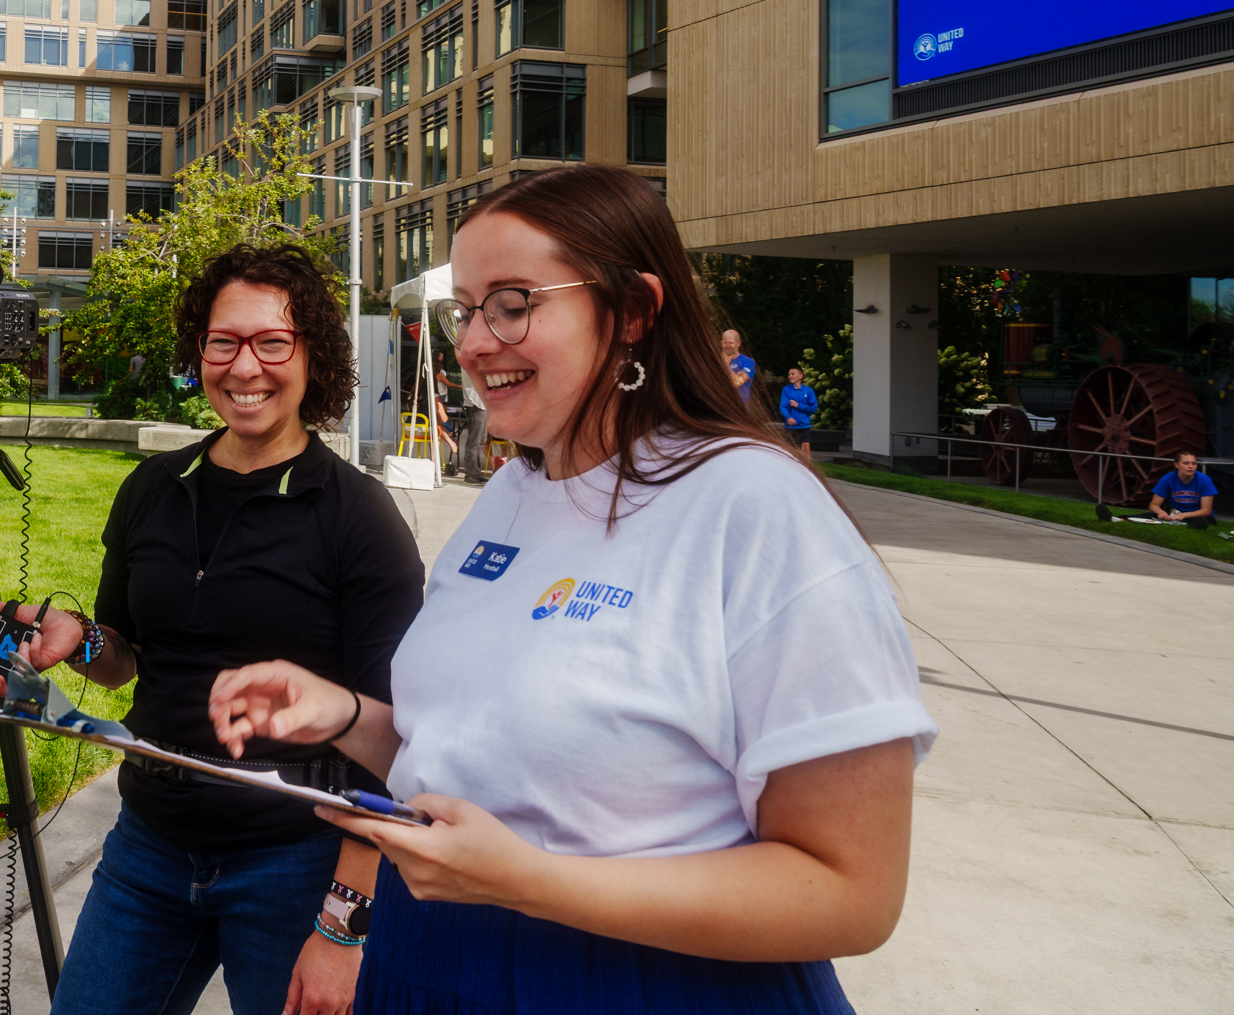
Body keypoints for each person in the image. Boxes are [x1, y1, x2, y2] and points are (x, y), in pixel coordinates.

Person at [210, 165, 936, 1015]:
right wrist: (342, 715)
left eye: (513, 303)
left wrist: (537, 883)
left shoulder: (757, 507)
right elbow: (475, 752)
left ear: (632, 311)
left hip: (645, 982)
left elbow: (851, 892)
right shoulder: (511, 495)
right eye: (466, 309)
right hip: (426, 958)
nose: (475, 341)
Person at [0, 244, 424, 1015]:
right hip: (148, 847)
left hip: (296, 861)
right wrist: (77, 639)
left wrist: (346, 923)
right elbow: (125, 659)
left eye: (271, 342)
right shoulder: (152, 488)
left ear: (311, 354)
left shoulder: (358, 516)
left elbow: (399, 735)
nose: (244, 365)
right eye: (224, 342)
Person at [1149, 450, 1218, 527]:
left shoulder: (1205, 480)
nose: (1190, 466)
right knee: (1143, 517)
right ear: (1176, 465)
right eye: (1186, 463)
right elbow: (1154, 505)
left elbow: (1206, 511)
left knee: (1201, 523)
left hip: (1197, 515)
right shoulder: (1167, 479)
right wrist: (1160, 512)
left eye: (1194, 463)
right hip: (1174, 513)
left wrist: (1184, 515)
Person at [779, 364, 818, 457]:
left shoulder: (808, 391)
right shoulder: (786, 390)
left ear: (800, 376)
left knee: (806, 451)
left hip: (804, 426)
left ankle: (807, 469)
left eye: (793, 374)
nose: (790, 376)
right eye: (789, 374)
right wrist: (788, 418)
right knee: (790, 452)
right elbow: (783, 407)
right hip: (790, 427)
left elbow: (813, 408)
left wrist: (798, 405)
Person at [722, 327, 756, 403]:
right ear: (721, 343)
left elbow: (736, 382)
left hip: (739, 405)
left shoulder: (748, 361)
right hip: (718, 404)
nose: (727, 346)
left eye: (731, 343)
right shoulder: (715, 360)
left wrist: (726, 364)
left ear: (738, 343)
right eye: (725, 343)